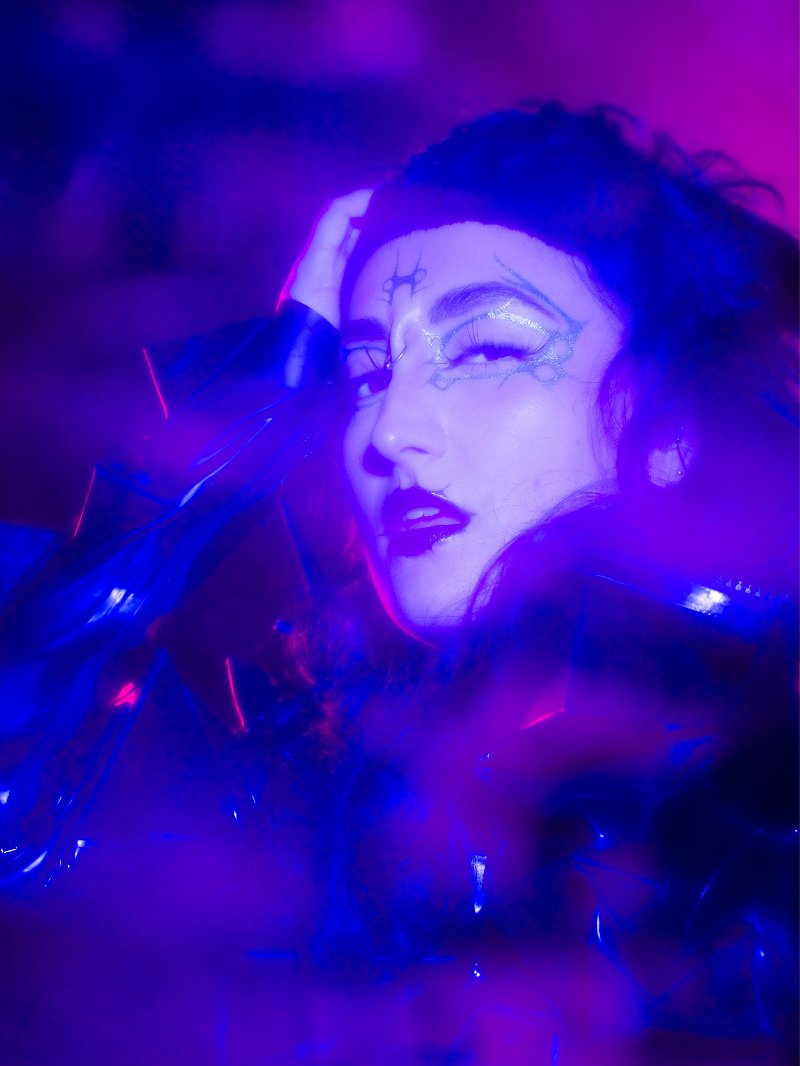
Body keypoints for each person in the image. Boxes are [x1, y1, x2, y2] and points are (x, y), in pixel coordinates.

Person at [0, 103, 796, 1064]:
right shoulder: (311, 798)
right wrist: (265, 389)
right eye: (367, 373)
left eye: (488, 350)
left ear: (672, 432)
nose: (387, 431)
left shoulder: (758, 806)